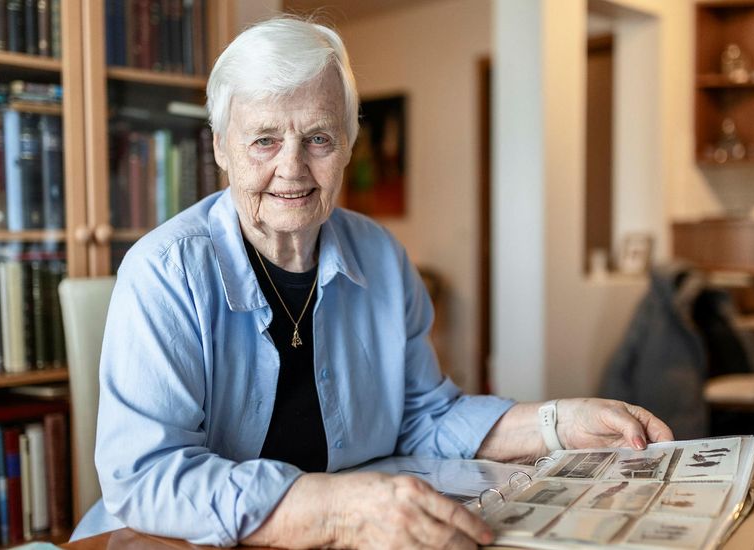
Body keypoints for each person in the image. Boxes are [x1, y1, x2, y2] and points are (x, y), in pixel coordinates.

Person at [71, 16, 673, 549]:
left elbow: (425, 418)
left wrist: (558, 423)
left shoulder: (381, 256)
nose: (292, 168)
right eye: (264, 140)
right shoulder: (164, 271)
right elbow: (147, 476)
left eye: (318, 138)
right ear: (221, 148)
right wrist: (337, 511)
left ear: (348, 147)